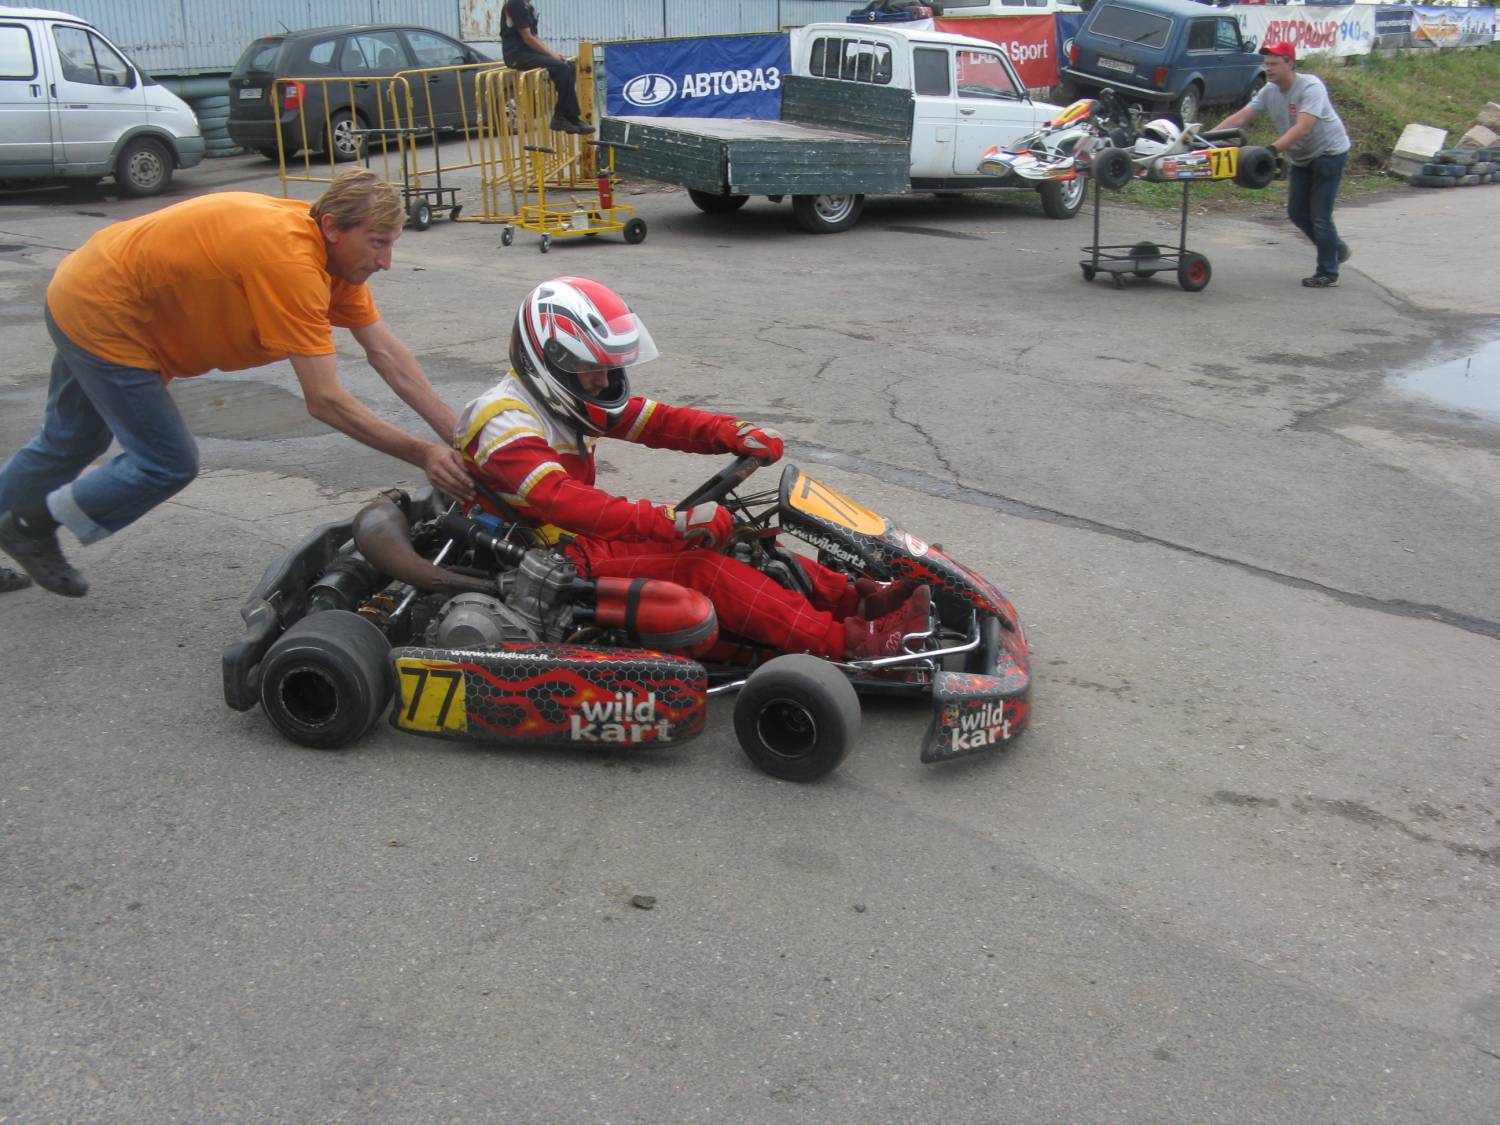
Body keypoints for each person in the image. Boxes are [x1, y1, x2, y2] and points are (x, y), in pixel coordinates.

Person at [0, 168, 474, 599]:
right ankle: (30, 523)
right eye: (377, 243)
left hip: (89, 283)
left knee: (68, 441)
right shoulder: (291, 264)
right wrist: (424, 455)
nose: (386, 261)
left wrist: (462, 440)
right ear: (332, 227)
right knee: (165, 461)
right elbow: (326, 400)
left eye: (391, 244)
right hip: (105, 313)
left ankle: (18, 523)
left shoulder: (333, 260)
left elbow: (385, 353)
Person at [456, 276, 931, 661]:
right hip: (544, 559)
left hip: (581, 541)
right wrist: (669, 522)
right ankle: (848, 643)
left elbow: (659, 422)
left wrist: (733, 432)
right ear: (550, 361)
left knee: (737, 534)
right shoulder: (502, 419)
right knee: (702, 569)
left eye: (608, 366)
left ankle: (858, 601)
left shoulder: (570, 401)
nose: (603, 380)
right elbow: (562, 500)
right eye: (591, 368)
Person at [1213, 43, 1351, 288]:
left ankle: (1328, 272)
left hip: (1329, 153)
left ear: (1290, 64)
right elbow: (1241, 118)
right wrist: (1205, 138)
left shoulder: (1311, 87)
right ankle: (1336, 249)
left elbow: (1304, 127)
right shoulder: (1269, 91)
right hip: (1302, 157)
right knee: (1297, 213)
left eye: (1274, 64)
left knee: (1320, 216)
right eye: (1266, 64)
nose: (1269, 69)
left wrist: (1271, 150)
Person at [499, 0, 591, 135]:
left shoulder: (529, 8)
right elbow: (527, 38)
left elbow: (535, 36)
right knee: (562, 68)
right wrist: (552, 55)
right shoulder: (515, 3)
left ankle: (569, 116)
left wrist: (553, 54)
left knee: (569, 66)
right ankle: (560, 117)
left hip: (530, 53)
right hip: (516, 55)